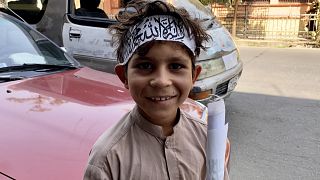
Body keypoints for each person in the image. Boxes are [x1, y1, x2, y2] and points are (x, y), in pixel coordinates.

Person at [83, 0, 228, 179]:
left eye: (175, 66)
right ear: (124, 76)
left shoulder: (208, 139)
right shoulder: (107, 159)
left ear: (193, 76)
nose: (161, 81)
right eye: (145, 65)